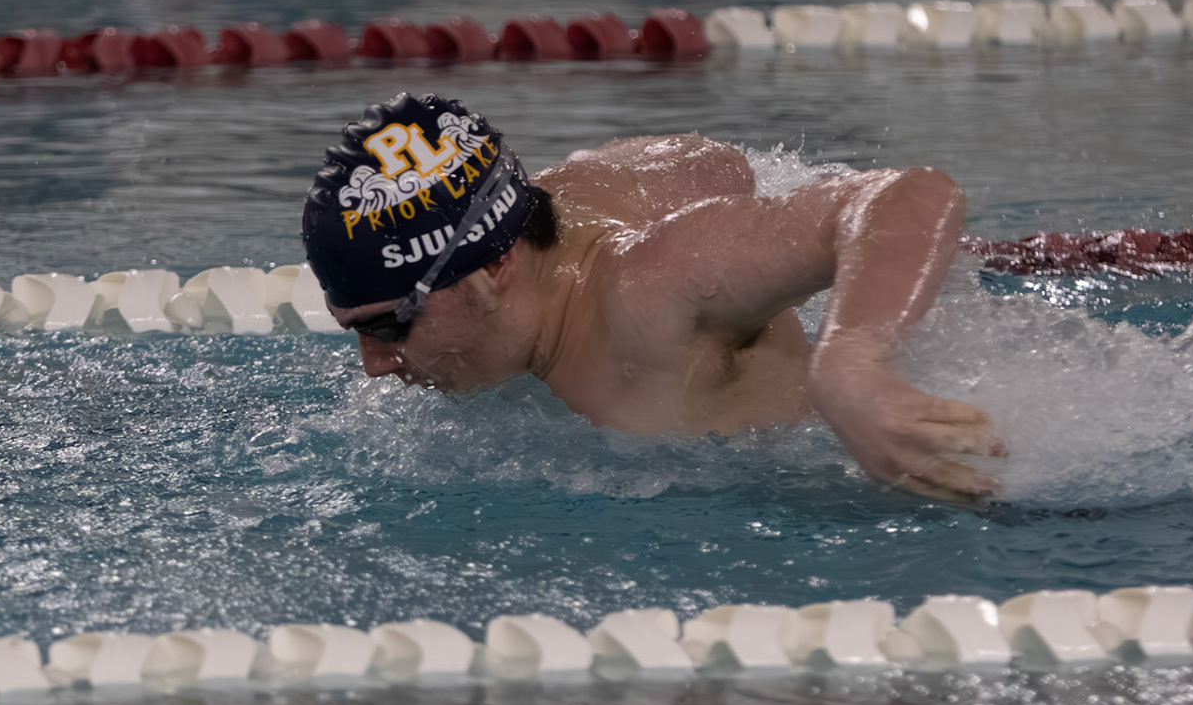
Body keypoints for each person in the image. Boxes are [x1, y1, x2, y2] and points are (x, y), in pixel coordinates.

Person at [300, 93, 1004, 502]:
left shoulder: (652, 293)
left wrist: (851, 363)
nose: (373, 364)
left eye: (390, 326)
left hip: (924, 490)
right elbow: (714, 163)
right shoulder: (563, 196)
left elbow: (909, 193)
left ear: (495, 270)